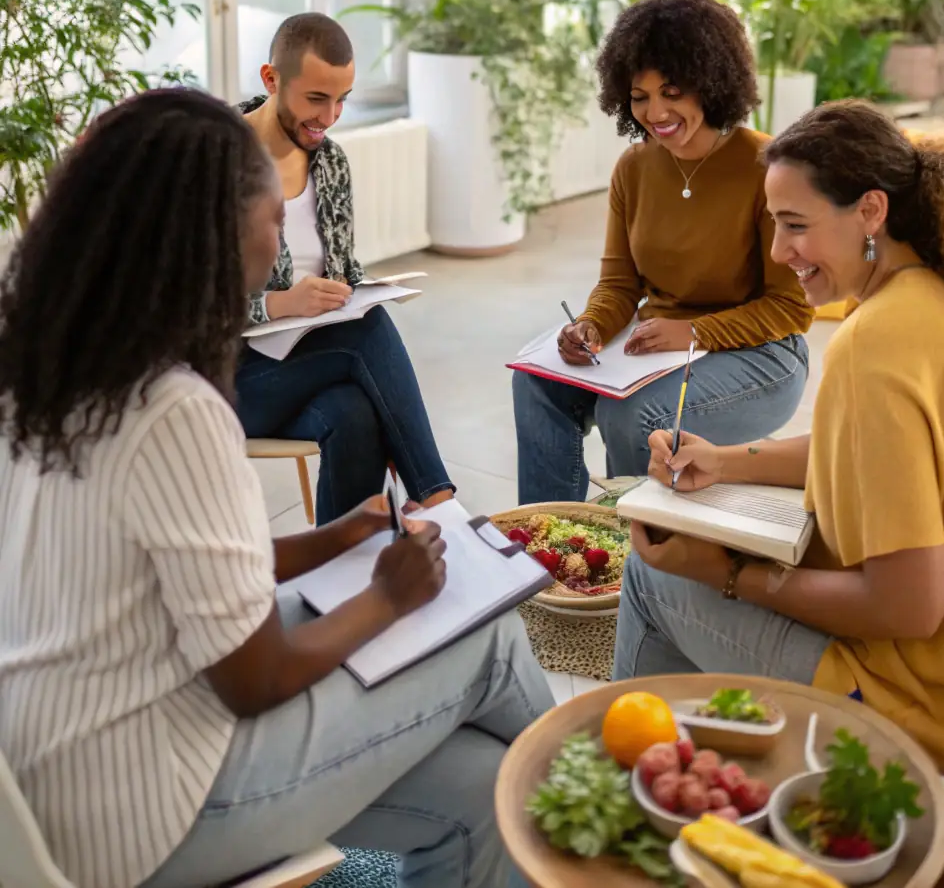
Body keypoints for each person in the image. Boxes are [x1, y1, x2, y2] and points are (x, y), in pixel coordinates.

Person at [0, 88, 552, 888]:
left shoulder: (40, 371)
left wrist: (333, 539)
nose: (278, 241)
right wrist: (387, 597)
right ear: (210, 242)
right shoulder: (172, 409)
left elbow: (173, 572)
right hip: (140, 811)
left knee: (485, 788)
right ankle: (598, 822)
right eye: (269, 218)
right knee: (488, 634)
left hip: (48, 773)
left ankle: (552, 819)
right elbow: (253, 679)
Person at [614, 100, 944, 782]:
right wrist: (723, 459)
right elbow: (874, 452)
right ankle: (717, 789)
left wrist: (727, 572)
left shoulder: (875, 343)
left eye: (796, 225)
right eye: (776, 224)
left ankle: (634, 796)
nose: (779, 251)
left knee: (654, 575)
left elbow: (909, 605)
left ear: (870, 211)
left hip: (934, 713)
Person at [514, 0, 813, 505]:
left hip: (763, 354)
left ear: (711, 82)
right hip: (658, 350)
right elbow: (619, 284)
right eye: (640, 96)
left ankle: (635, 553)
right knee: (537, 386)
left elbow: (790, 308)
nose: (655, 112)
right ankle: (547, 542)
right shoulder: (633, 168)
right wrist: (592, 326)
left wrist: (692, 332)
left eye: (671, 91)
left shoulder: (767, 167)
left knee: (630, 413)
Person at [239, 13, 455, 522]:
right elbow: (178, 305)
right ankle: (437, 499)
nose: (331, 116)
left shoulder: (330, 161)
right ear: (271, 80)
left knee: (355, 415)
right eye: (316, 99)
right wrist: (278, 303)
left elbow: (342, 268)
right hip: (230, 380)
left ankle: (344, 577)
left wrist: (357, 290)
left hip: (306, 365)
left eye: (342, 99)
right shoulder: (214, 156)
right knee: (365, 332)